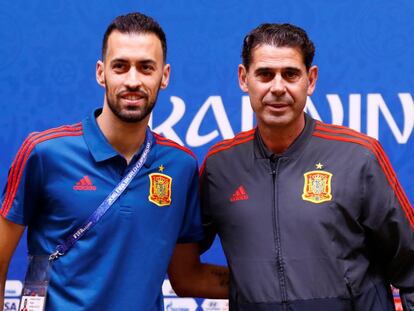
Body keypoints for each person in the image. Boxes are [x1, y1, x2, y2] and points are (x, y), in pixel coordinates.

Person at [0, 12, 228, 310]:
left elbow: (186, 277)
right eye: (120, 66)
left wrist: (282, 283)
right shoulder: (45, 152)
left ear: (165, 76)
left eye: (146, 68)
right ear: (101, 72)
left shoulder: (180, 165)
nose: (133, 80)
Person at [200, 23, 414, 310]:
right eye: (265, 74)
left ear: (310, 80)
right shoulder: (220, 166)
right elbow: (178, 257)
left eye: (290, 74)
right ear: (243, 78)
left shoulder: (358, 156)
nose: (278, 88)